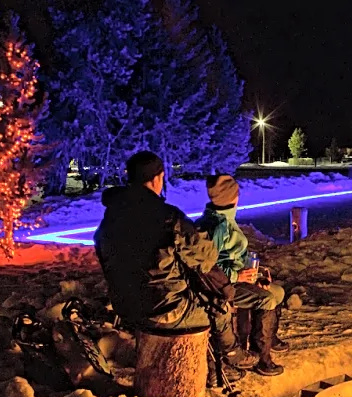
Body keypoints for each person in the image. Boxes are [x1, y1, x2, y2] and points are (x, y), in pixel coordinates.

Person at [94, 152, 256, 384]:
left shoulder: (111, 217)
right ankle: (229, 357)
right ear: (157, 179)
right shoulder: (166, 217)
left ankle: (215, 363)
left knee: (201, 295)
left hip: (125, 306)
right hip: (165, 310)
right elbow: (206, 256)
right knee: (217, 304)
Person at [196, 174, 288, 377]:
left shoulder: (221, 218)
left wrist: (257, 272)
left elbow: (232, 255)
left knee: (278, 292)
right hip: (224, 285)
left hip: (237, 277)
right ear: (233, 196)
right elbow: (210, 268)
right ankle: (261, 358)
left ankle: (268, 336)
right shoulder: (218, 226)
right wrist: (238, 276)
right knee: (267, 299)